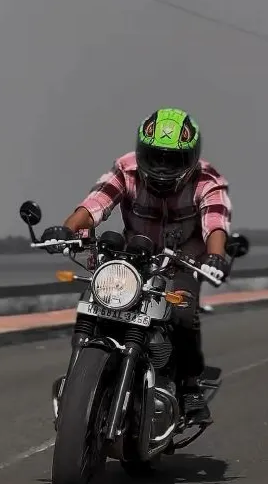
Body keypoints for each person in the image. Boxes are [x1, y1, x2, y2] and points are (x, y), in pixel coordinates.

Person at [62, 107, 232, 422]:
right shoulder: (125, 169)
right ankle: (80, 382)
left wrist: (216, 255)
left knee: (183, 311)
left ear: (191, 158)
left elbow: (215, 222)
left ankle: (190, 386)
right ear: (142, 151)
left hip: (184, 257)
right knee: (98, 299)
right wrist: (66, 229)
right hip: (134, 254)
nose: (163, 166)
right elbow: (96, 203)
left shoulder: (207, 180)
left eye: (173, 159)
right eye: (156, 156)